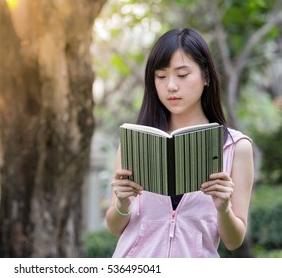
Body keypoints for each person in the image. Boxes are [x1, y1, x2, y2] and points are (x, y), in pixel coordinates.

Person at [105, 28, 254, 258]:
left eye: (182, 75)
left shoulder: (236, 147)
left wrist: (223, 208)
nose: (171, 86)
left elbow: (234, 241)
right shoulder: (135, 142)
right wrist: (122, 205)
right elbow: (115, 228)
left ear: (206, 76)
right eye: (161, 76)